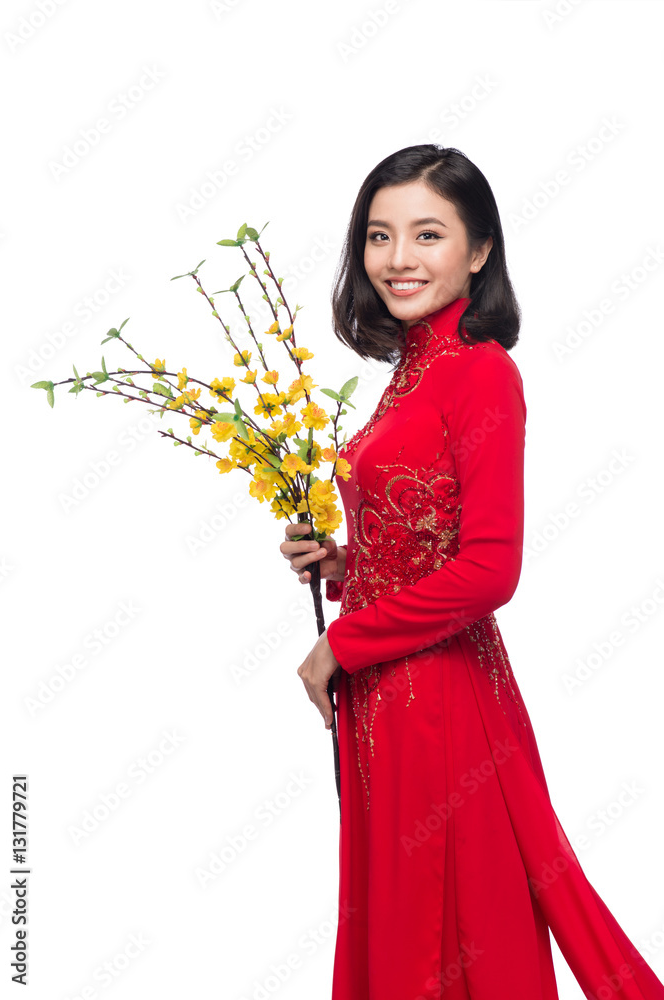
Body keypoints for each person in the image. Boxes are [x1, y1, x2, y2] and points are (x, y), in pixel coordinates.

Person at [280, 145, 664, 1000]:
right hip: (387, 694)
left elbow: (490, 569)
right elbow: (427, 539)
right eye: (379, 236)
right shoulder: (410, 370)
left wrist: (341, 642)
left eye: (427, 234)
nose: (397, 259)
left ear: (480, 250)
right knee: (407, 920)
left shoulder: (480, 373)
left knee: (451, 929)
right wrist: (343, 566)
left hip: (439, 701)